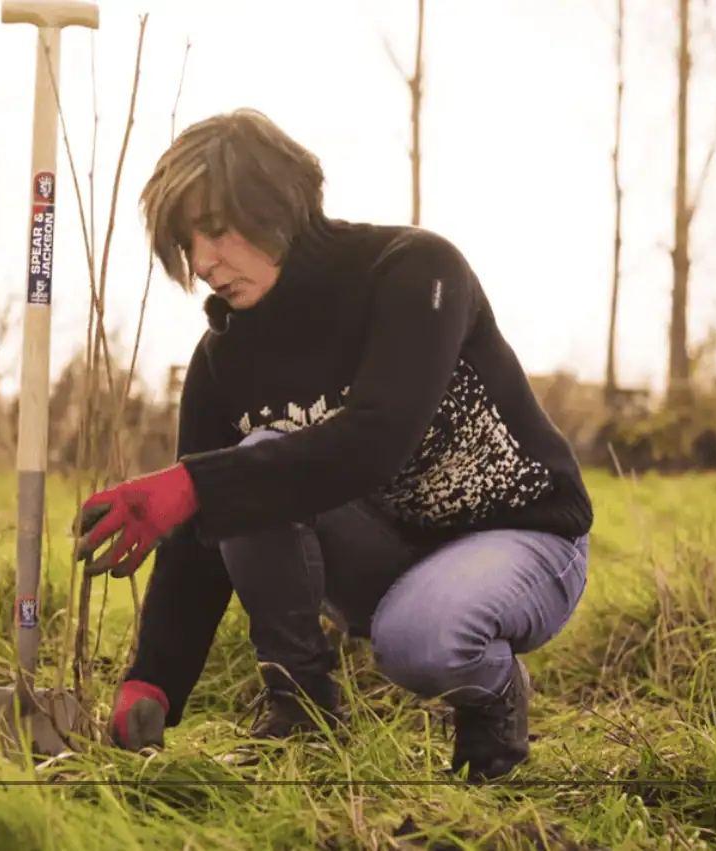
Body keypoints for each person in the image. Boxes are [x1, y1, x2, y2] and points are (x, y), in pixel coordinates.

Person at [75, 108, 593, 781]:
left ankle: (494, 696)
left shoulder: (413, 272)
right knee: (250, 463)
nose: (202, 263)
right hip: (386, 556)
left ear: (277, 205)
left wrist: (197, 484)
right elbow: (203, 530)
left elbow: (374, 436)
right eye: (186, 242)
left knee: (422, 641)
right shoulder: (220, 362)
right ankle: (303, 716)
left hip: (524, 538)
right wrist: (154, 681)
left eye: (216, 229)